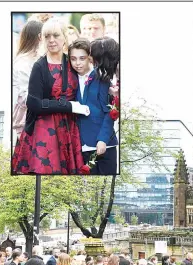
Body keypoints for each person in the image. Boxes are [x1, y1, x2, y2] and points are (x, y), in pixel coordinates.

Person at [12, 17, 89, 175]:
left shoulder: (72, 63)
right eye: (47, 36)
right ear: (42, 39)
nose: (52, 40)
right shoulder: (39, 66)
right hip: (43, 129)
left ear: (64, 38)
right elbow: (34, 103)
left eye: (56, 35)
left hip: (69, 129)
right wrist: (70, 106)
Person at [69, 37, 119, 175]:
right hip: (80, 146)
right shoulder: (69, 78)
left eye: (82, 58)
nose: (78, 63)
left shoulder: (101, 77)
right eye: (73, 59)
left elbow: (110, 112)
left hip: (103, 145)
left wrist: (102, 139)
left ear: (89, 58)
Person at [12, 20, 44, 137]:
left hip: (34, 119)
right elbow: (27, 97)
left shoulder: (36, 58)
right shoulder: (23, 62)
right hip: (26, 122)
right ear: (39, 37)